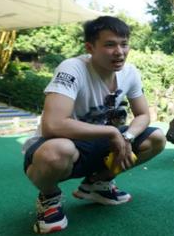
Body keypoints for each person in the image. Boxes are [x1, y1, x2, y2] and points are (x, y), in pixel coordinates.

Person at [22, 16, 166, 234]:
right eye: (110, 44)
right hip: (61, 144)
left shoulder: (130, 73)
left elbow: (143, 114)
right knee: (57, 152)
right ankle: (49, 197)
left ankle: (97, 184)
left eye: (124, 44)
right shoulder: (72, 68)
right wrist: (111, 132)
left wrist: (127, 136)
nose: (119, 51)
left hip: (100, 143)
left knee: (156, 139)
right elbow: (52, 124)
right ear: (90, 47)